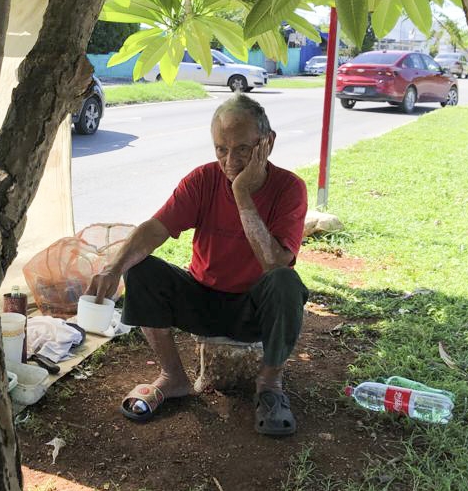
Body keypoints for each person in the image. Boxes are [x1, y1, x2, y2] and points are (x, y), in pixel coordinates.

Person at [87, 93, 309, 436]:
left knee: (286, 283)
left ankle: (269, 383)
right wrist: (113, 267)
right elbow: (155, 228)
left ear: (268, 144)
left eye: (242, 150)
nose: (229, 161)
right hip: (202, 299)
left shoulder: (289, 188)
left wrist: (241, 194)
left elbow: (274, 263)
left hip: (253, 310)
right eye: (221, 149)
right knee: (141, 269)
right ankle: (173, 376)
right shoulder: (202, 180)